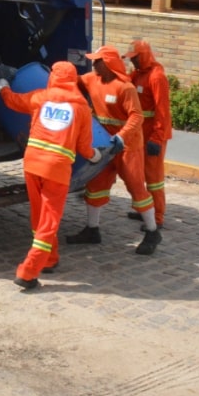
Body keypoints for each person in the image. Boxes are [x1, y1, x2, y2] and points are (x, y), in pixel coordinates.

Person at [0, 61, 103, 290]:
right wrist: (95, 157)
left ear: (52, 77)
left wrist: (2, 86)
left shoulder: (40, 97)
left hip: (32, 164)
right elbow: (84, 146)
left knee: (38, 215)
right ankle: (28, 271)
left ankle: (50, 258)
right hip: (57, 169)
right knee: (49, 221)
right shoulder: (81, 107)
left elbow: (13, 101)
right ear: (73, 79)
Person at [67, 45, 162, 255]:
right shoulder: (91, 79)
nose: (93, 64)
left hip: (128, 146)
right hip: (105, 145)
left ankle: (152, 232)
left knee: (137, 188)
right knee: (96, 186)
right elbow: (70, 81)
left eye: (97, 61)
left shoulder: (125, 88)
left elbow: (136, 116)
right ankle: (92, 230)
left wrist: (121, 136)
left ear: (107, 64)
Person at [126, 39, 171, 229]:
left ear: (144, 56)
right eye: (131, 59)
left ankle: (158, 217)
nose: (133, 62)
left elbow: (162, 111)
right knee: (139, 174)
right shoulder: (137, 74)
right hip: (141, 135)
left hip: (153, 135)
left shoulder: (156, 76)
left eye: (135, 58)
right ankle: (144, 210)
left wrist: (157, 138)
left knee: (154, 178)